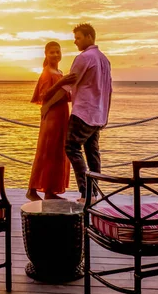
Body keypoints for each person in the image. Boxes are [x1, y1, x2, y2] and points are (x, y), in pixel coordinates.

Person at [48, 24, 112, 203]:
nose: (75, 41)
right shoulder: (104, 60)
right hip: (98, 114)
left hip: (84, 112)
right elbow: (108, 90)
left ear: (90, 37)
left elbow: (67, 85)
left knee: (72, 147)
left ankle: (86, 194)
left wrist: (48, 104)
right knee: (92, 152)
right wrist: (105, 115)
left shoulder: (84, 58)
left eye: (78, 38)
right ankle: (94, 193)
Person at [26, 41, 76, 201]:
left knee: (57, 153)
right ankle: (32, 190)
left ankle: (50, 191)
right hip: (52, 117)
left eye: (57, 52)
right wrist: (62, 82)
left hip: (61, 116)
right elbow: (44, 95)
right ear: (46, 55)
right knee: (47, 151)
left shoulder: (59, 71)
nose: (55, 55)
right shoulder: (47, 73)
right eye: (52, 52)